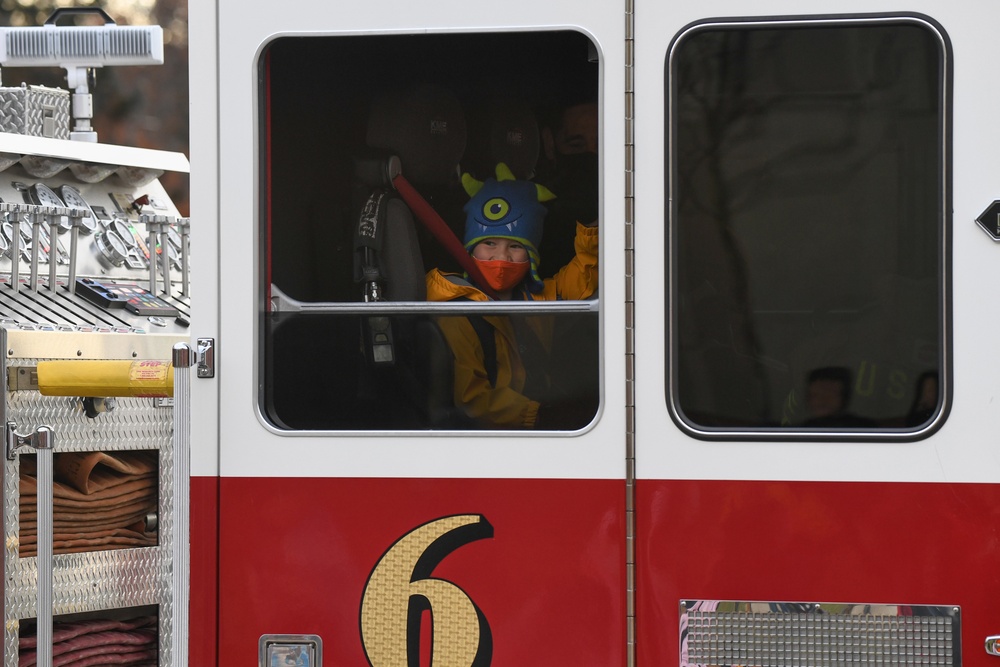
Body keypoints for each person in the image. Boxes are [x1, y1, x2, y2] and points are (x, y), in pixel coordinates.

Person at [425, 162, 599, 428]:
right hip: (495, 437)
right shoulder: (457, 313)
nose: (501, 258)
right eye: (489, 243)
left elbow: (584, 274)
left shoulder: (538, 298)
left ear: (531, 257)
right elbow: (472, 399)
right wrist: (539, 417)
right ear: (469, 249)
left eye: (516, 246)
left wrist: (593, 231)